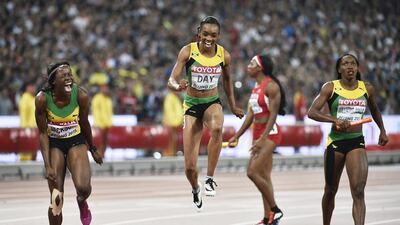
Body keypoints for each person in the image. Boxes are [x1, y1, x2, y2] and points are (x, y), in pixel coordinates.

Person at [167, 16, 244, 211]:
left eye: (214, 35)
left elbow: (227, 81)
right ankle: (195, 187)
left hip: (211, 102)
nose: (209, 38)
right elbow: (171, 80)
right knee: (190, 168)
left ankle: (210, 178)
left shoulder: (223, 55)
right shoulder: (188, 51)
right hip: (192, 105)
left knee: (217, 128)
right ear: (199, 34)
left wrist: (233, 106)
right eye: (206, 34)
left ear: (218, 36)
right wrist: (177, 87)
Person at [307, 53, 388, 225]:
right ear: (339, 69)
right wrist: (334, 120)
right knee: (330, 190)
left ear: (358, 68)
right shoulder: (330, 88)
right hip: (335, 143)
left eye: (353, 63)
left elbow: (374, 110)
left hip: (356, 141)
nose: (350, 66)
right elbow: (312, 112)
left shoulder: (367, 88)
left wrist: (382, 130)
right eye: (345, 63)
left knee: (358, 191)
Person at [35, 61, 103, 225]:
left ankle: (82, 202)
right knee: (56, 198)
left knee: (84, 188)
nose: (69, 78)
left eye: (70, 75)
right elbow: (43, 133)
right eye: (63, 76)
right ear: (53, 81)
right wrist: (48, 165)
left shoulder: (81, 95)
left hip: (76, 142)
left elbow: (85, 123)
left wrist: (92, 148)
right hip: (55, 145)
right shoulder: (42, 99)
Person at [227, 54, 285, 225]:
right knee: (264, 176)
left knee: (252, 172)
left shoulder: (272, 86)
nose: (248, 66)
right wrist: (237, 136)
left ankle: (276, 210)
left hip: (270, 133)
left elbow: (273, 115)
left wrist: (263, 138)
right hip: (258, 133)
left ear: (260, 67)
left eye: (252, 63)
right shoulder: (256, 87)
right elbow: (250, 116)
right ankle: (268, 218)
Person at [91, 83, 113, 158]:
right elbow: (95, 111)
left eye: (106, 88)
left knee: (105, 141)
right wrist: (97, 123)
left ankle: (103, 155)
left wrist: (110, 123)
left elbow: (109, 112)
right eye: (104, 88)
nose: (106, 90)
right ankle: (98, 155)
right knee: (99, 141)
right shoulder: (97, 98)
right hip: (100, 124)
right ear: (101, 89)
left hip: (107, 124)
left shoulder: (108, 99)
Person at [18, 80, 37, 161]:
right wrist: (24, 128)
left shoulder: (34, 98)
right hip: (28, 128)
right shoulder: (25, 98)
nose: (33, 88)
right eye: (31, 86)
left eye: (33, 86)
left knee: (34, 150)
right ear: (27, 88)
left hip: (35, 128)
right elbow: (23, 115)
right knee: (27, 151)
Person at [162, 89, 184, 156]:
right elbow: (169, 114)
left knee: (175, 146)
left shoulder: (176, 98)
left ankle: (172, 156)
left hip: (176, 126)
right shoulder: (170, 97)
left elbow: (179, 112)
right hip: (171, 126)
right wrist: (177, 122)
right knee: (170, 145)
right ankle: (168, 159)